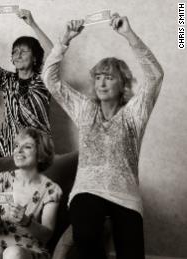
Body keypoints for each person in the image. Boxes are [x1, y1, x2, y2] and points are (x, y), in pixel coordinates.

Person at [42, 14, 164, 259]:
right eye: (98, 77)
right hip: (88, 190)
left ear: (123, 84)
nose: (102, 83)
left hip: (126, 196)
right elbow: (50, 79)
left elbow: (155, 77)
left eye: (109, 78)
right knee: (85, 236)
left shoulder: (134, 114)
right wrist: (64, 40)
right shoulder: (85, 109)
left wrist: (128, 34)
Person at [0, 128, 62, 259]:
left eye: (27, 147)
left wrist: (26, 221)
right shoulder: (2, 179)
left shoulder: (50, 189)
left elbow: (47, 235)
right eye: (17, 146)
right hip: (0, 246)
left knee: (13, 253)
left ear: (41, 154)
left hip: (31, 250)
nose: (18, 150)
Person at [0, 9, 53, 157]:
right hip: (9, 151)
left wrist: (32, 23)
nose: (18, 55)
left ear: (35, 58)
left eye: (24, 51)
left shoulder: (43, 79)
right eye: (15, 52)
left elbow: (53, 53)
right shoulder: (8, 80)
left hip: (38, 151)